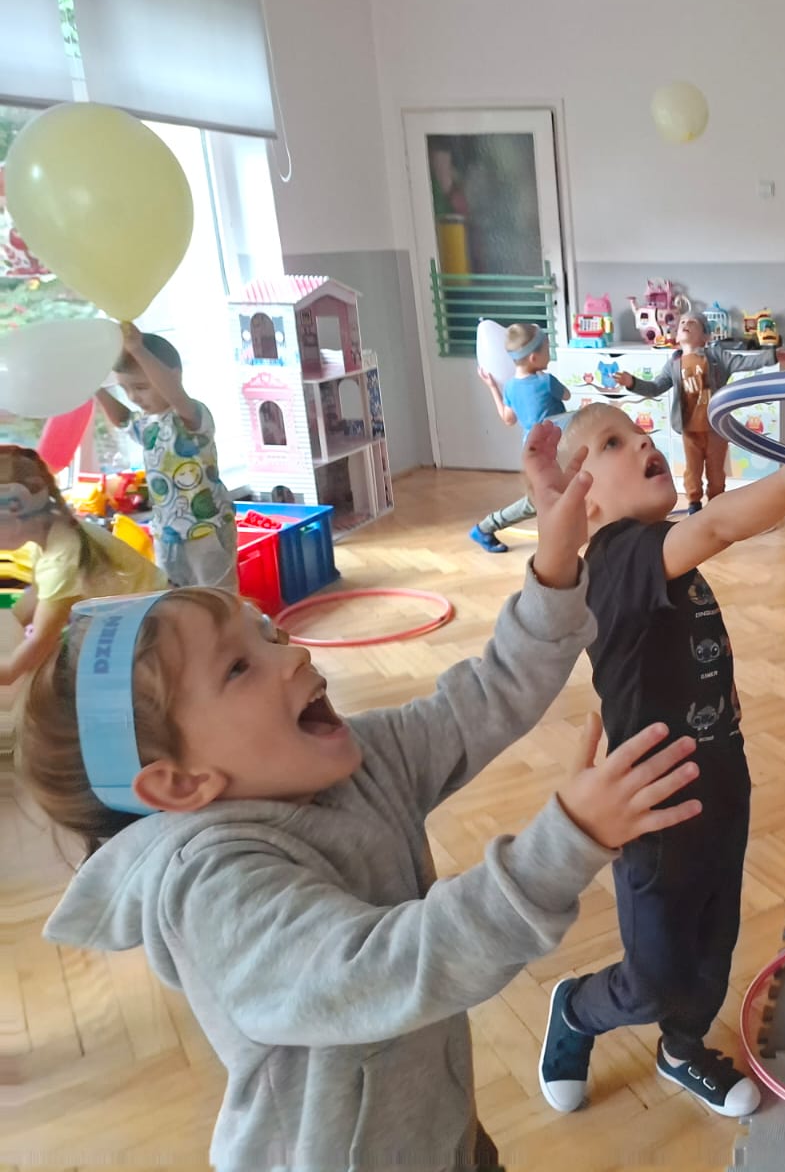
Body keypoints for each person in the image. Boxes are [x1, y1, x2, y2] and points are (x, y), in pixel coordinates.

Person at [17, 420, 705, 1170]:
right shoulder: (209, 888)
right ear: (181, 783)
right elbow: (390, 968)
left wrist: (555, 559)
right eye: (238, 669)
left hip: (440, 1131)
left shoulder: (352, 761)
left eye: (267, 635)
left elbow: (486, 698)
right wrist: (563, 842)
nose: (291, 655)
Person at [537, 403, 785, 1119]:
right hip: (651, 811)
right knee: (653, 975)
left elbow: (719, 530)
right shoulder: (615, 557)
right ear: (585, 504)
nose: (641, 440)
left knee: (713, 943)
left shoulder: (659, 551)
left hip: (721, 784)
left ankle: (681, 1049)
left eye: (638, 432)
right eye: (612, 443)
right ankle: (578, 1008)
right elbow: (715, 526)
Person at [1, 444, 168, 686]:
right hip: (140, 616)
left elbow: (35, 647)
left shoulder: (62, 561)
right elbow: (32, 600)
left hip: (152, 633)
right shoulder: (52, 531)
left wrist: (9, 668)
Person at [95, 324, 239, 590]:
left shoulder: (191, 416)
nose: (133, 397)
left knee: (217, 596)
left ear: (173, 376)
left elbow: (174, 393)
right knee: (173, 593)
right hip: (167, 531)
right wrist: (94, 387)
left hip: (206, 526)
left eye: (141, 387)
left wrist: (138, 349)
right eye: (126, 389)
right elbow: (122, 419)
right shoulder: (147, 423)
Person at [612, 314, 778, 513]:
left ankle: (717, 505)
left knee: (716, 474)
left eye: (692, 322)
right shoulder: (674, 363)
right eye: (682, 322)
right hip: (690, 430)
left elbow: (744, 362)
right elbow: (655, 388)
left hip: (716, 429)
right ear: (677, 335)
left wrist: (772, 356)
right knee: (693, 471)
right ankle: (694, 504)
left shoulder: (716, 357)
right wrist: (632, 383)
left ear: (705, 337)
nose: (686, 324)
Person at [469, 322, 572, 552]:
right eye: (547, 350)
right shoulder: (546, 381)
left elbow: (508, 419)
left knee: (556, 490)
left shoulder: (511, 387)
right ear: (534, 358)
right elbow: (567, 394)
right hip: (554, 447)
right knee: (538, 499)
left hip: (532, 450)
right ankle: (486, 527)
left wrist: (493, 387)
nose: (549, 354)